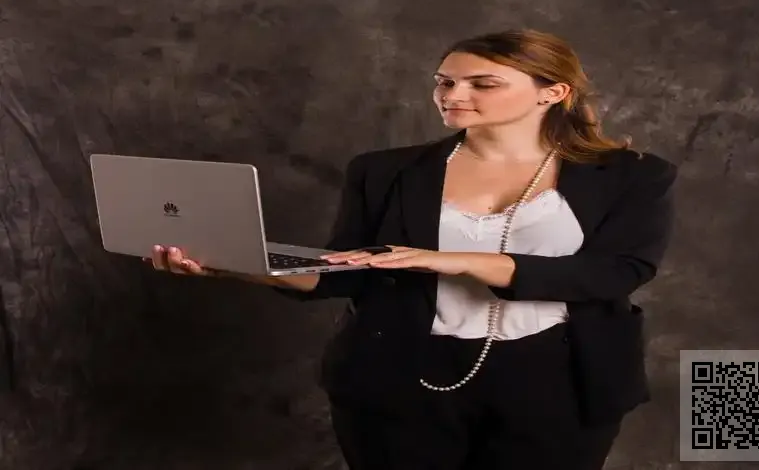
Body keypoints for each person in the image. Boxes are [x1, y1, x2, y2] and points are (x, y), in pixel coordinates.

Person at [148, 28, 677, 469]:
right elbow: (346, 273)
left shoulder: (632, 176)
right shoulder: (383, 170)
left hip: (560, 380)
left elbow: (617, 272)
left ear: (552, 93)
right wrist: (231, 264)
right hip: (400, 377)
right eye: (444, 81)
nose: (452, 94)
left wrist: (456, 261)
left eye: (482, 83)